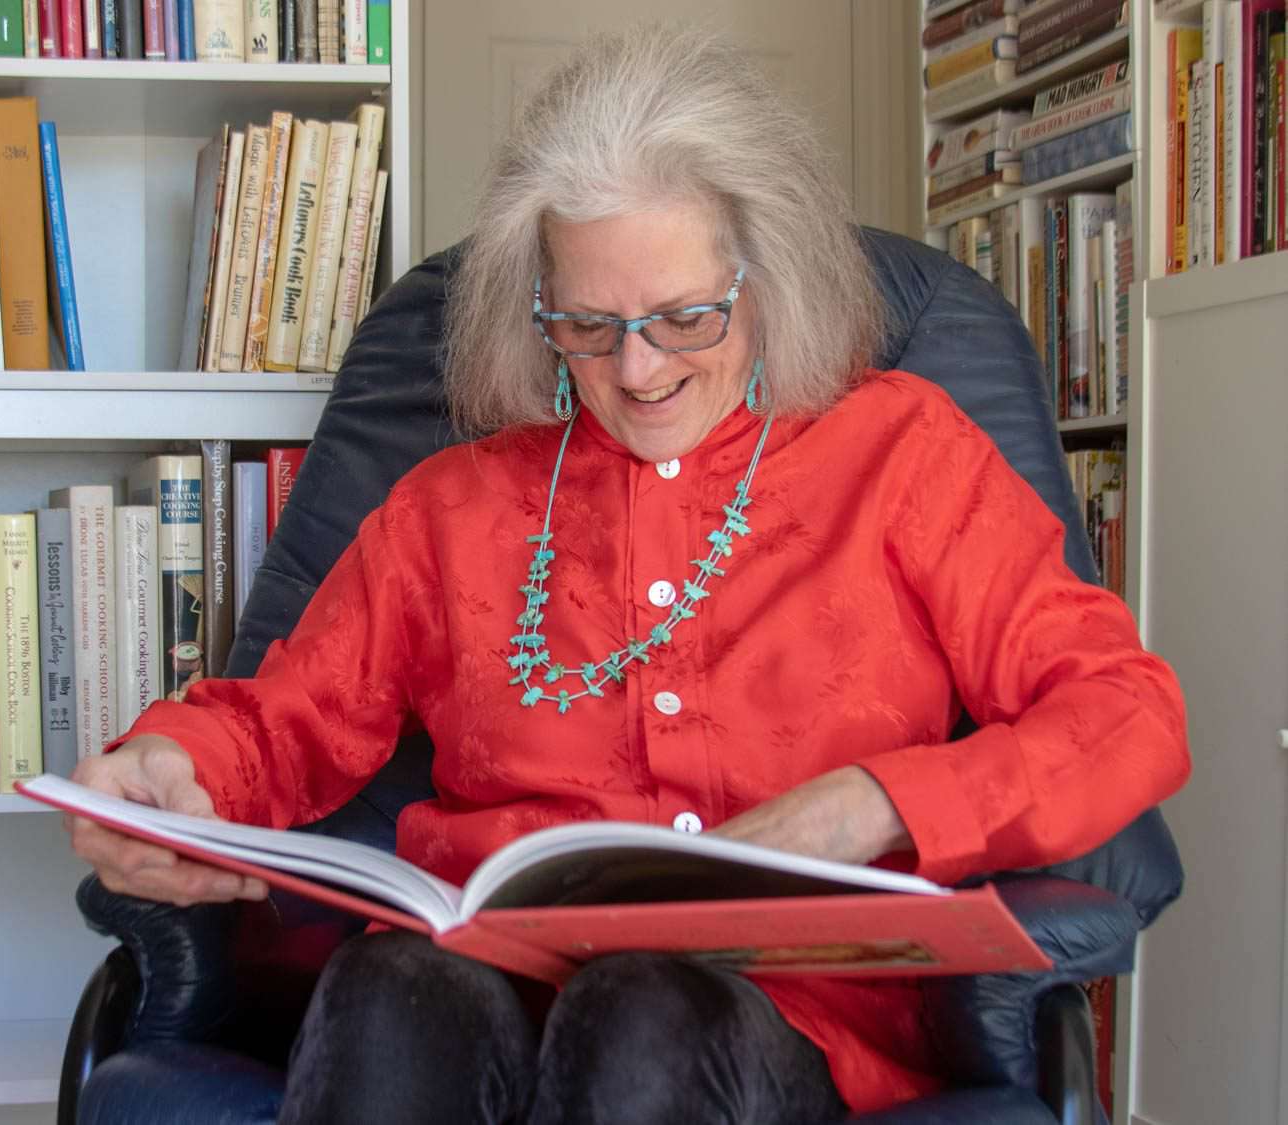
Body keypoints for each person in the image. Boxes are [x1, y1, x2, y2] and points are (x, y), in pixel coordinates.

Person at [67, 26, 1190, 1123]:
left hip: (777, 1020)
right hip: (480, 988)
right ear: (539, 308)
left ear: (766, 277)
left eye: (685, 318)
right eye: (589, 326)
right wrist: (173, 767)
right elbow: (281, 723)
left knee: (644, 1010)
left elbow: (1128, 714)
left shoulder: (903, 456)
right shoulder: (453, 507)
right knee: (385, 986)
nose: (639, 370)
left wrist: (876, 805)